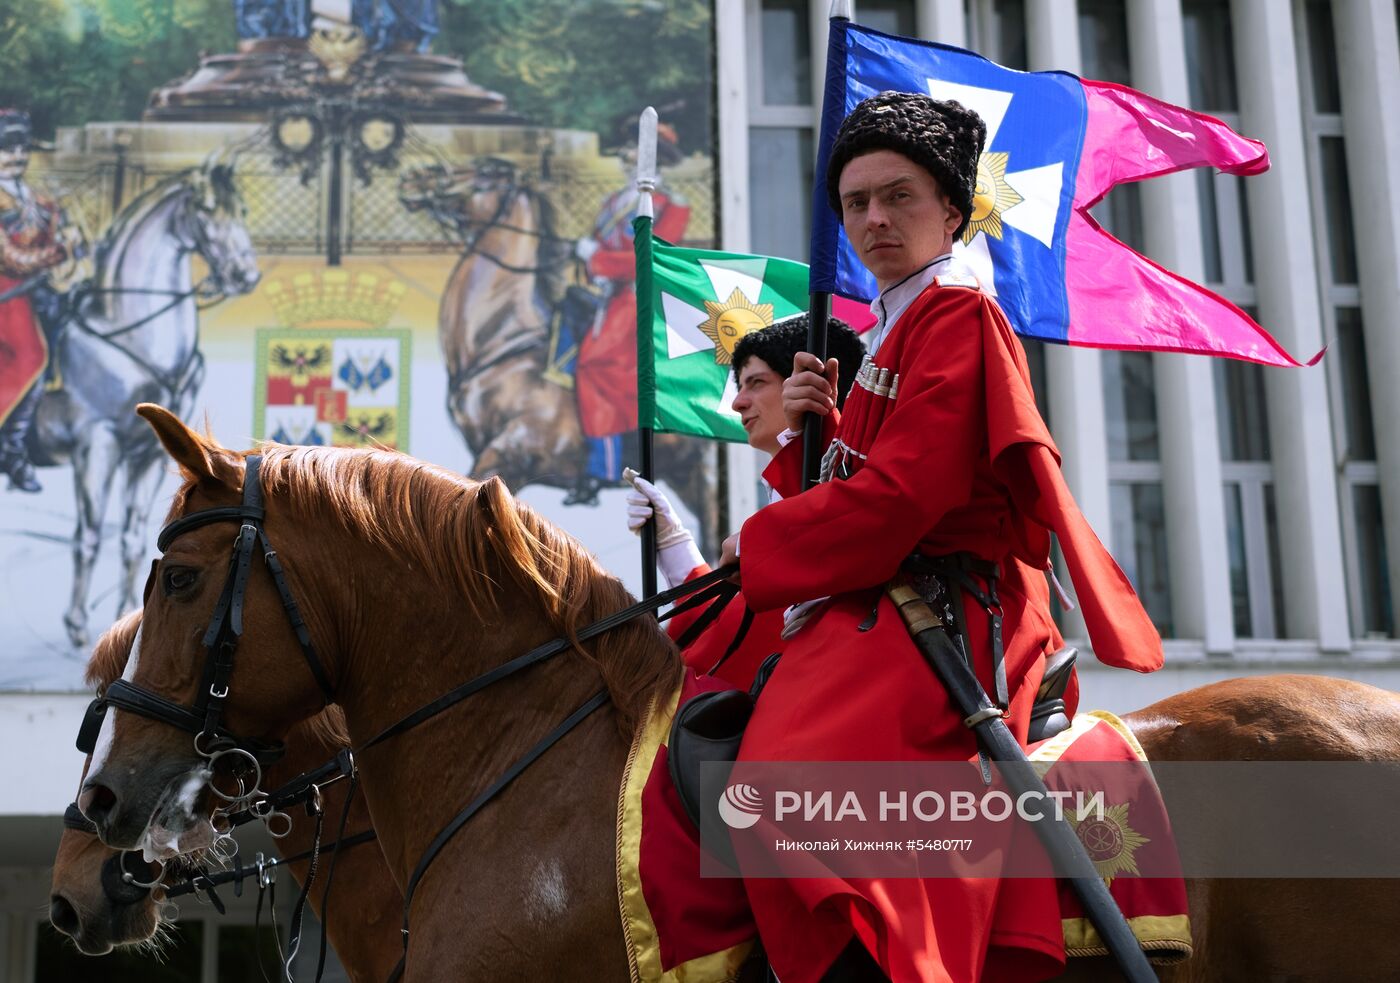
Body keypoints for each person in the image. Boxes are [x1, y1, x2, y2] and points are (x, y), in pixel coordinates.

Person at [716, 92, 1164, 982]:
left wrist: (761, 546)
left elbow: (900, 502)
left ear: (953, 210)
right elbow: (869, 482)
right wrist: (821, 431)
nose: (875, 219)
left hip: (951, 605)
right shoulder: (897, 323)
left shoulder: (956, 314)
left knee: (783, 774)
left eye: (900, 196)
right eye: (856, 203)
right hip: (893, 592)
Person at [625, 314, 864, 689]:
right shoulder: (783, 495)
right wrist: (673, 545)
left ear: (810, 383)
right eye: (740, 385)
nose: (738, 402)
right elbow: (729, 626)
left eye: (756, 383)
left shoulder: (850, 487)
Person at [569, 123, 690, 505]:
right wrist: (590, 263)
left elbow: (647, 259)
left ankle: (603, 467)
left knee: (595, 365)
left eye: (633, 155)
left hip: (636, 299)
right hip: (609, 294)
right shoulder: (615, 200)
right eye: (626, 153)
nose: (626, 159)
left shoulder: (673, 205)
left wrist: (596, 258)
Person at [0, 109, 84, 493]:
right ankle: (12, 451)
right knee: (32, 357)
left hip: (37, 291)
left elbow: (51, 234)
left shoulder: (34, 198)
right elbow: (12, 260)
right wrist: (58, 253)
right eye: (5, 148)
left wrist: (70, 237)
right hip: (7, 294)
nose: (15, 156)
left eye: (20, 148)